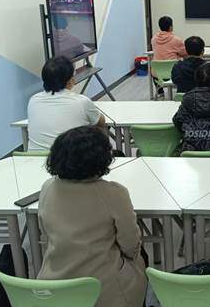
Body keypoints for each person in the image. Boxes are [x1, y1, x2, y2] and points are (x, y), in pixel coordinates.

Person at [37, 126, 147, 307]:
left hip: (55, 287)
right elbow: (130, 244)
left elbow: (45, 233)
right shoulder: (114, 193)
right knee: (141, 258)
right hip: (103, 291)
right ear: (103, 159)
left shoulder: (47, 187)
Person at [27, 56, 105, 151]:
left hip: (34, 158)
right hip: (70, 158)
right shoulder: (81, 102)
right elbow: (101, 122)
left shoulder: (33, 100)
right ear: (71, 81)